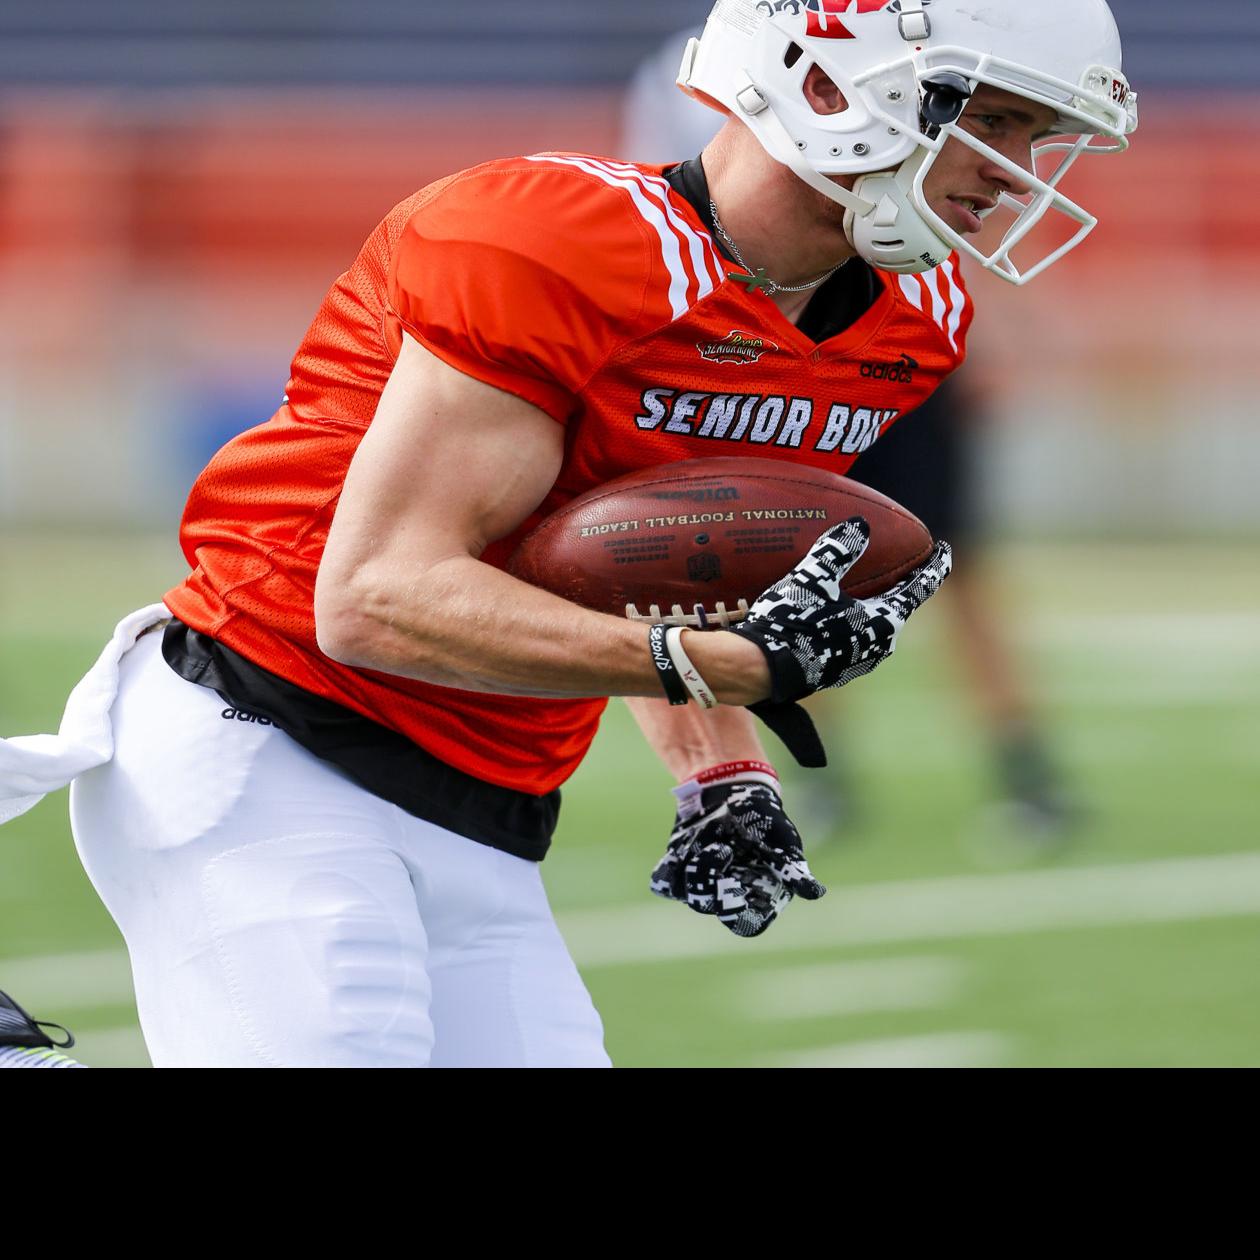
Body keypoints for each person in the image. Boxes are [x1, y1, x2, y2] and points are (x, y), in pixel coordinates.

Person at [0, 0, 1136, 1067]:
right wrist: (721, 664)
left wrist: (723, 771)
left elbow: (653, 557)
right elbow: (375, 597)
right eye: (993, 122)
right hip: (271, 734)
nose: (1016, 176)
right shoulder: (552, 242)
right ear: (835, 87)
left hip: (487, 801)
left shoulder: (906, 321)